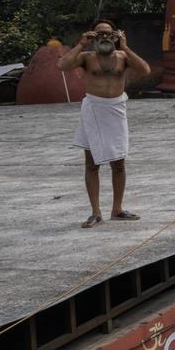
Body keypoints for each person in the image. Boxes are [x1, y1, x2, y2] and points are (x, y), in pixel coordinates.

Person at [57, 20, 151, 228]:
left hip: (116, 111)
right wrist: (81, 43)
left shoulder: (122, 56)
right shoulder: (85, 57)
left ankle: (117, 209)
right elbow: (62, 65)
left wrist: (125, 46)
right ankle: (95, 212)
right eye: (100, 34)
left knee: (119, 162)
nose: (105, 37)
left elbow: (145, 70)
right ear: (93, 36)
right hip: (93, 110)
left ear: (115, 36)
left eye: (109, 34)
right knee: (92, 163)